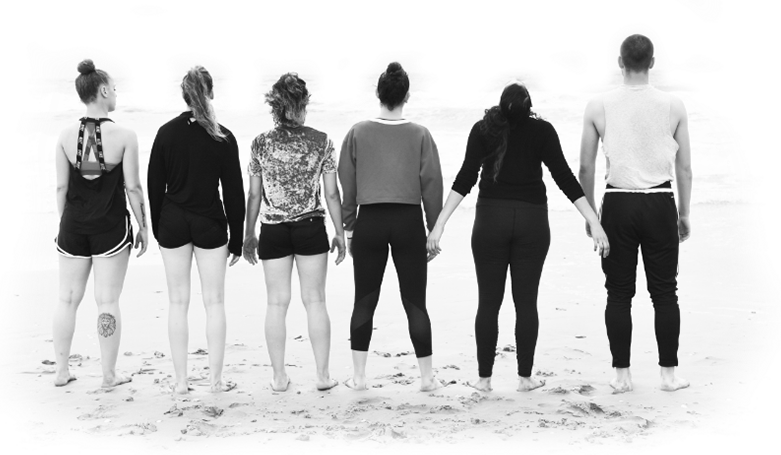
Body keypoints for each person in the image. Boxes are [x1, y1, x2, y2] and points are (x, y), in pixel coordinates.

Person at [427, 81, 610, 393]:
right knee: (526, 303)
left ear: (501, 105)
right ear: (529, 109)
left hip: (490, 221)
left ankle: (484, 380)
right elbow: (564, 177)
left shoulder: (483, 129)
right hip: (532, 222)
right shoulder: (543, 131)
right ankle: (525, 379)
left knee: (488, 302)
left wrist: (439, 225)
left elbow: (466, 178)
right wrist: (593, 219)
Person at [578, 34, 692, 393]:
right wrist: (683, 213)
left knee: (618, 293)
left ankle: (622, 376)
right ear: (652, 63)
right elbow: (684, 168)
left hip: (618, 204)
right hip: (660, 201)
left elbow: (585, 167)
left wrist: (591, 215)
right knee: (665, 293)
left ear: (620, 64)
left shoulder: (598, 105)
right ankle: (668, 376)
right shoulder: (674, 106)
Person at [338, 62, 444, 392]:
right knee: (415, 302)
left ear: (378, 94)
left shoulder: (357, 132)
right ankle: (426, 379)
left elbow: (347, 182)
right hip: (408, 222)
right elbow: (432, 184)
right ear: (407, 96)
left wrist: (350, 227)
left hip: (369, 221)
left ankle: (359, 378)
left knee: (364, 301)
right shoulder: (420, 134)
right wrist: (433, 229)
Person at [243, 73, 345, 392]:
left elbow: (254, 195)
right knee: (315, 301)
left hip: (273, 230)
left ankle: (278, 377)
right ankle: (323, 377)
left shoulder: (260, 143)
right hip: (310, 228)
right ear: (302, 104)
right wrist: (340, 232)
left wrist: (249, 233)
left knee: (276, 303)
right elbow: (331, 194)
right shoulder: (322, 141)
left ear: (275, 107)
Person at [147, 65, 246, 394]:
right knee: (214, 302)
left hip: (173, 221)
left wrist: (160, 229)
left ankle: (181, 382)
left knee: (178, 302)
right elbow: (234, 192)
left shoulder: (165, 133)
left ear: (184, 95)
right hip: (209, 223)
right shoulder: (222, 136)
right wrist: (237, 239)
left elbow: (154, 186)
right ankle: (216, 382)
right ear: (211, 92)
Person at [53, 59, 148, 388]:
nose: (116, 94)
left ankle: (61, 371)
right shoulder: (125, 136)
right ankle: (108, 375)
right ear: (104, 91)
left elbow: (61, 188)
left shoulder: (65, 136)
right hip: (110, 230)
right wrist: (144, 226)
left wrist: (67, 222)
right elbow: (134, 188)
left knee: (67, 299)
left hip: (73, 228)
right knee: (107, 301)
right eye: (115, 89)